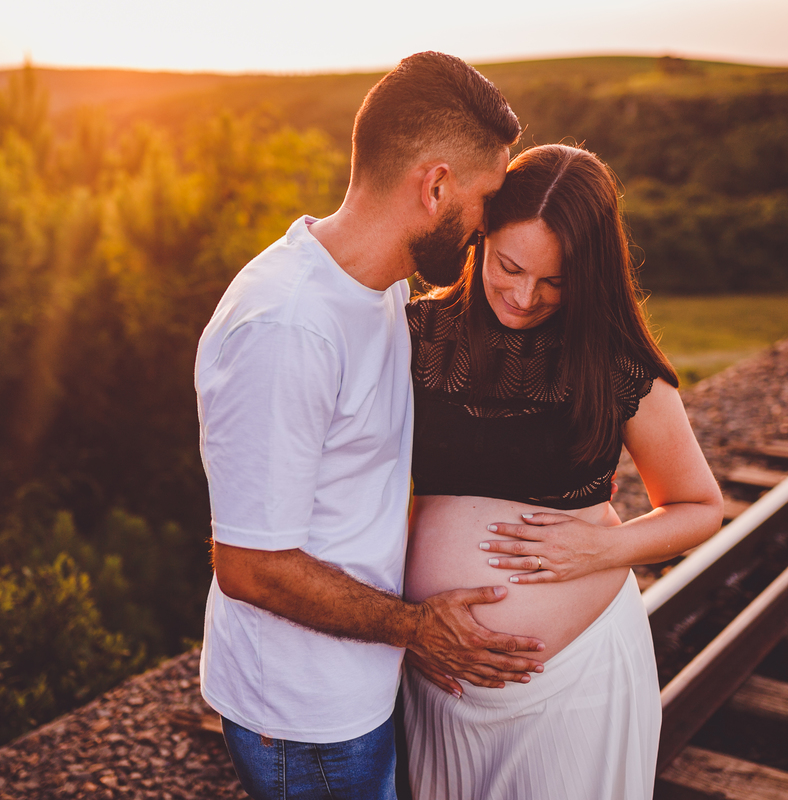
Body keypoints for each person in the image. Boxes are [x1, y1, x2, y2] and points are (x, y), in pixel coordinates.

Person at [194, 52, 548, 800]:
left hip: (356, 688)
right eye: (486, 198)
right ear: (436, 186)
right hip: (306, 722)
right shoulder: (288, 327)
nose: (488, 225)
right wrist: (416, 627)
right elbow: (250, 565)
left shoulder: (380, 286)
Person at [402, 144, 724, 799]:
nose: (523, 297)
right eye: (508, 267)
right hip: (439, 677)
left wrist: (606, 546)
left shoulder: (616, 364)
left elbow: (698, 506)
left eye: (554, 281)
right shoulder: (412, 334)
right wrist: (400, 625)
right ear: (478, 239)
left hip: (576, 686)